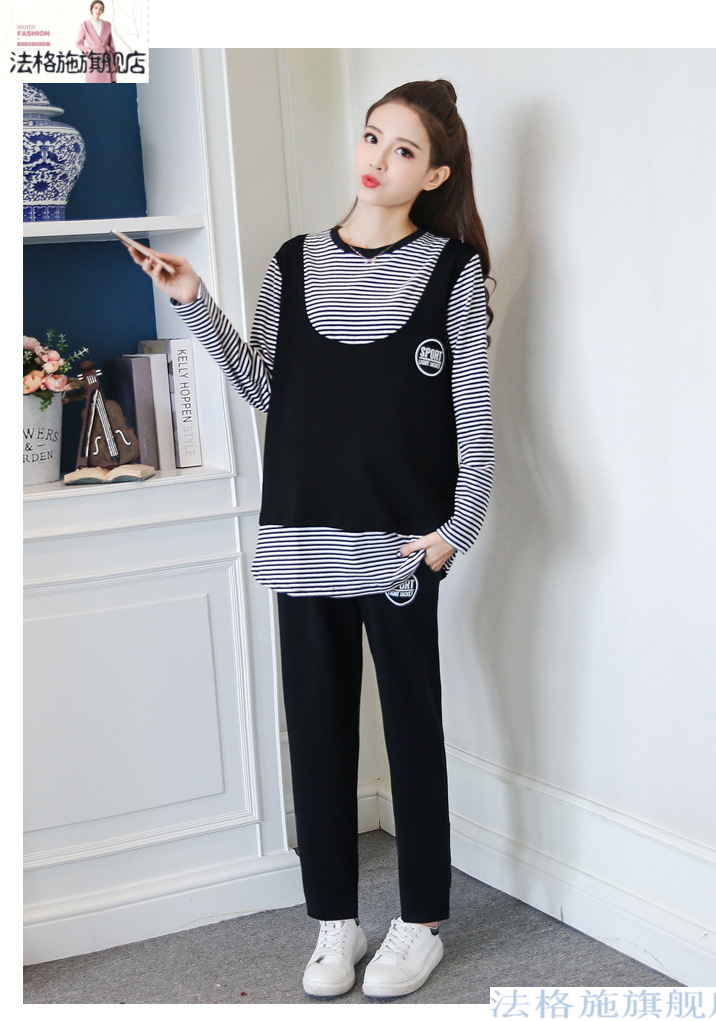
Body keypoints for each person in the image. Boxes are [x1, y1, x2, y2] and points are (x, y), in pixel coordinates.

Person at [127, 79, 494, 1000]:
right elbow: (266, 386)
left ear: (434, 174)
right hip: (303, 538)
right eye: (372, 137)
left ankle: (420, 922)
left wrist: (455, 530)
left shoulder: (453, 271)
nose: (378, 159)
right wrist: (193, 299)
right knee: (321, 739)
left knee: (412, 733)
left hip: (402, 545)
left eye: (403, 150)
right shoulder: (292, 263)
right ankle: (336, 920)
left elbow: (475, 418)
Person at [76, 2, 117, 83]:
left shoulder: (107, 25)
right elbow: (79, 43)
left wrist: (115, 62)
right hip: (94, 59)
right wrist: (88, 50)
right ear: (92, 9)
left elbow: (111, 45)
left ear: (102, 11)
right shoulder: (84, 25)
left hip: (107, 58)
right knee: (94, 84)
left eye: (101, 9)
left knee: (110, 85)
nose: (98, 10)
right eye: (96, 8)